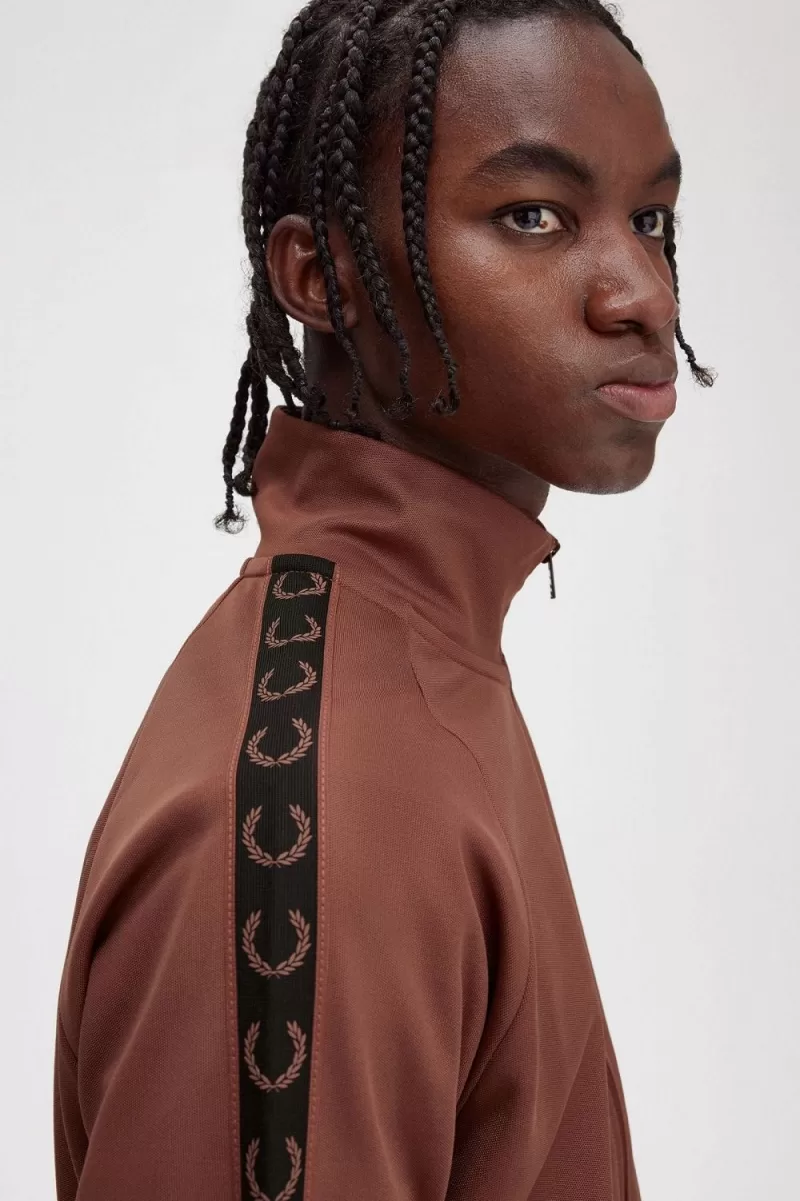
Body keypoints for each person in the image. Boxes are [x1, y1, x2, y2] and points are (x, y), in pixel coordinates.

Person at [53, 2, 716, 1199]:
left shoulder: (412, 664)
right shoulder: (331, 800)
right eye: (533, 215)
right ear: (323, 276)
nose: (643, 297)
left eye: (649, 218)